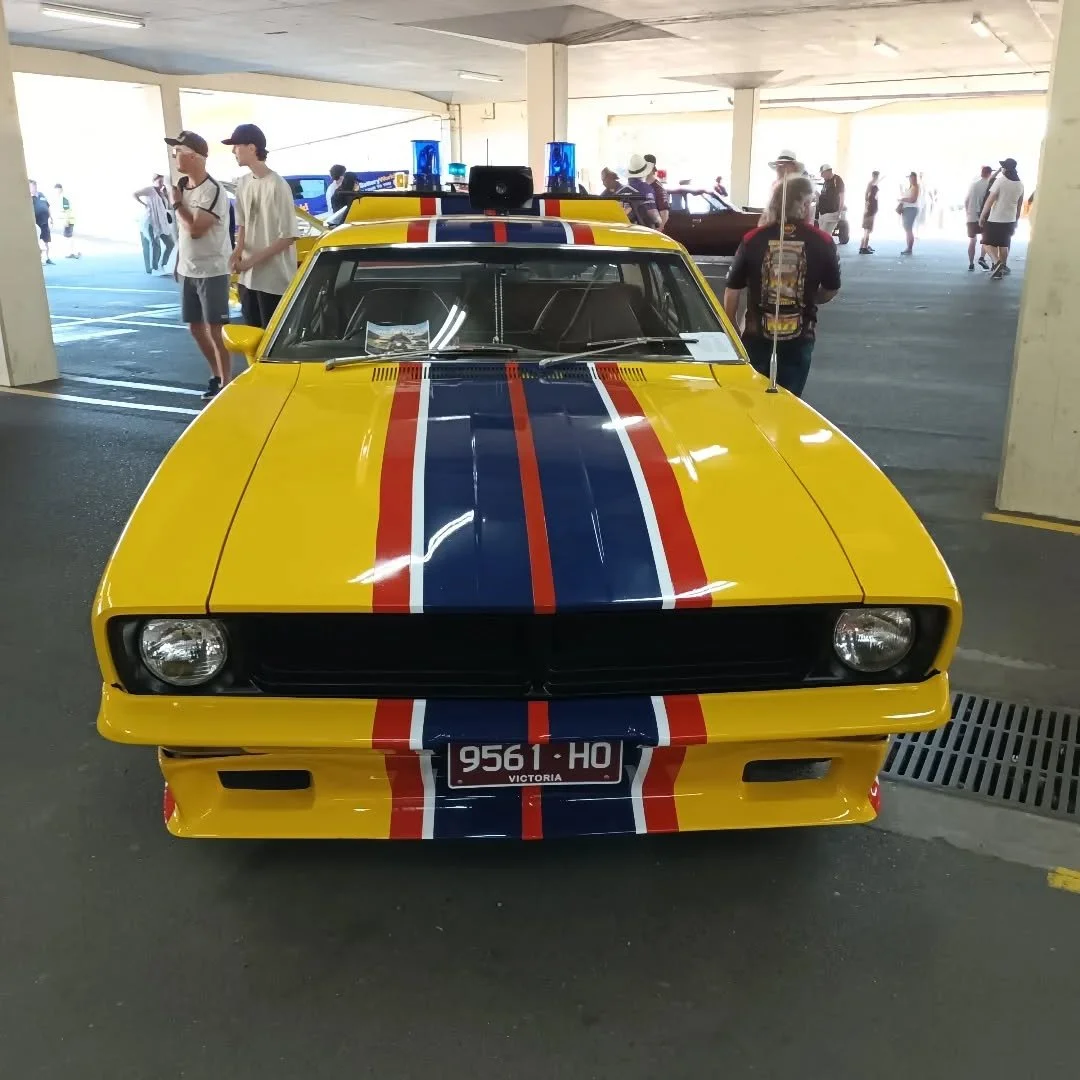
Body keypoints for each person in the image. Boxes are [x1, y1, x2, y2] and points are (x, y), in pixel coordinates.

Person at [722, 175, 840, 398]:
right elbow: (831, 288)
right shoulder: (822, 241)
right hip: (800, 336)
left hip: (756, 335)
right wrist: (808, 298)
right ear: (804, 205)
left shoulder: (752, 239)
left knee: (753, 403)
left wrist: (732, 330)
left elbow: (732, 288)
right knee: (789, 403)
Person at [164, 129, 233, 400]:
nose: (175, 158)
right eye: (174, 153)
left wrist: (176, 205)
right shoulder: (182, 186)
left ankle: (227, 383)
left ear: (195, 157)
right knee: (195, 327)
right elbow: (184, 235)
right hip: (188, 270)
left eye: (178, 152)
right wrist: (179, 261)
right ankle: (215, 375)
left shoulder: (212, 191)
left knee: (216, 330)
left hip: (212, 270)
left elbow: (195, 229)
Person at [223, 123, 299, 330]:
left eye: (236, 146)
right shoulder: (243, 183)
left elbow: (288, 236)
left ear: (252, 148)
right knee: (252, 339)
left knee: (270, 341)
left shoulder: (277, 184)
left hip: (274, 281)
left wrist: (250, 262)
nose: (233, 151)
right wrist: (237, 252)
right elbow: (243, 224)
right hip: (248, 280)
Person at [980, 157, 1024, 280]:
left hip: (996, 219)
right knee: (1003, 245)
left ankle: (997, 263)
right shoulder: (1020, 184)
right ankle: (1001, 268)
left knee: (986, 242)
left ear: (1005, 169)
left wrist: (983, 215)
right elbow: (1019, 205)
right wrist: (1016, 219)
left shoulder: (1000, 181)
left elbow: (989, 201)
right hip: (1010, 219)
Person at [134, 173, 175, 274]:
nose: (162, 184)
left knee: (170, 244)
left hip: (161, 223)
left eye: (162, 182)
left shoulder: (162, 193)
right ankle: (155, 269)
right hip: (150, 222)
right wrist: (144, 204)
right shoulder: (149, 190)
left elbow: (169, 207)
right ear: (154, 181)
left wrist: (165, 194)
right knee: (155, 245)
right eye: (159, 181)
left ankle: (162, 265)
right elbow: (135, 194)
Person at [964, 165, 993, 271]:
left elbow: (966, 201)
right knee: (985, 240)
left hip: (971, 216)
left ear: (982, 172)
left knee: (972, 240)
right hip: (983, 216)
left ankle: (971, 263)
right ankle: (982, 258)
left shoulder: (973, 184)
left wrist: (967, 213)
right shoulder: (989, 185)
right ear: (989, 174)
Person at [623, 154, 662, 228]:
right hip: (643, 232)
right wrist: (659, 221)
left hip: (625, 232)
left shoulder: (622, 190)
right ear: (644, 172)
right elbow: (653, 215)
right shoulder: (646, 189)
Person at [816, 164, 845, 242]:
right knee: (823, 236)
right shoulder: (826, 181)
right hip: (822, 213)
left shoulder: (837, 180)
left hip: (831, 213)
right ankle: (830, 252)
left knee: (824, 237)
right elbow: (823, 196)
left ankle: (829, 252)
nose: (821, 176)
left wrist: (839, 212)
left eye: (822, 173)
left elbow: (842, 197)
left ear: (829, 171)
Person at [53, 184, 80, 259]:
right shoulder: (61, 198)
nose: (56, 192)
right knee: (68, 236)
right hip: (68, 219)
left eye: (58, 190)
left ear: (61, 189)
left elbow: (67, 210)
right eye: (55, 191)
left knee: (68, 237)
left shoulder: (63, 198)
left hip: (69, 220)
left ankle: (72, 252)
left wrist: (66, 221)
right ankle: (74, 252)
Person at [643, 154, 670, 230]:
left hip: (653, 232)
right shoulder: (642, 186)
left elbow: (664, 214)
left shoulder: (658, 188)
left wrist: (657, 231)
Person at [29, 181, 53, 265]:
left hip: (45, 221)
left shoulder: (42, 195)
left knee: (46, 240)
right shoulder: (29, 198)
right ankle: (40, 259)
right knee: (39, 241)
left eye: (34, 186)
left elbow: (47, 206)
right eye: (31, 186)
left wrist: (51, 217)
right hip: (37, 222)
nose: (33, 188)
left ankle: (47, 258)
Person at [898, 171, 920, 255]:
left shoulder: (915, 187)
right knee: (907, 229)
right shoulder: (912, 187)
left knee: (908, 229)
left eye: (911, 177)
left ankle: (909, 248)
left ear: (913, 178)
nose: (910, 179)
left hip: (910, 209)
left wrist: (902, 199)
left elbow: (913, 199)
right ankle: (908, 248)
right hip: (908, 209)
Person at [859, 170, 880, 254]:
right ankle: (864, 247)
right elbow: (867, 195)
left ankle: (863, 246)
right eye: (876, 176)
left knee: (868, 229)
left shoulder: (873, 184)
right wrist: (867, 206)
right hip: (870, 209)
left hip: (871, 208)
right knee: (867, 228)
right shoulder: (871, 184)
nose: (877, 178)